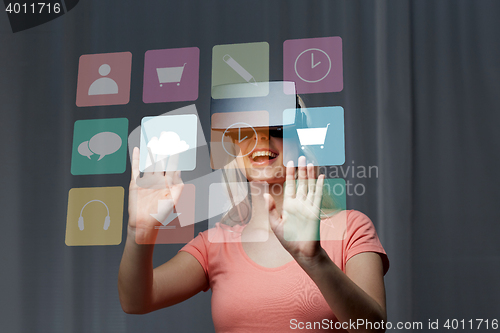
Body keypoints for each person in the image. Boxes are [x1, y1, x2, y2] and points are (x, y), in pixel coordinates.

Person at [118, 102, 389, 332]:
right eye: (245, 130)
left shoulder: (351, 227)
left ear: (303, 141)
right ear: (234, 152)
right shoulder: (215, 243)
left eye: (278, 128)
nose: (261, 139)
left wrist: (314, 260)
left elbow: (373, 326)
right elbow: (136, 301)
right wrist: (139, 233)